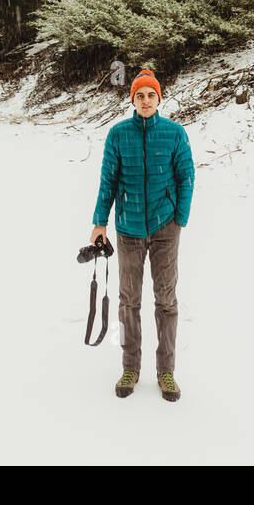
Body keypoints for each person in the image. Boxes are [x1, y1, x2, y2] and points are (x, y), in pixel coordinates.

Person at [90, 68, 194, 401]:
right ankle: (130, 367)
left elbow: (186, 177)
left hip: (166, 228)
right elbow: (108, 181)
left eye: (151, 95)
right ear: (132, 100)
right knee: (128, 301)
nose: (145, 101)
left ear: (159, 99)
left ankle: (166, 371)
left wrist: (180, 217)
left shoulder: (175, 133)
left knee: (166, 301)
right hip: (129, 229)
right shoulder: (118, 135)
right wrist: (99, 222)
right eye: (139, 95)